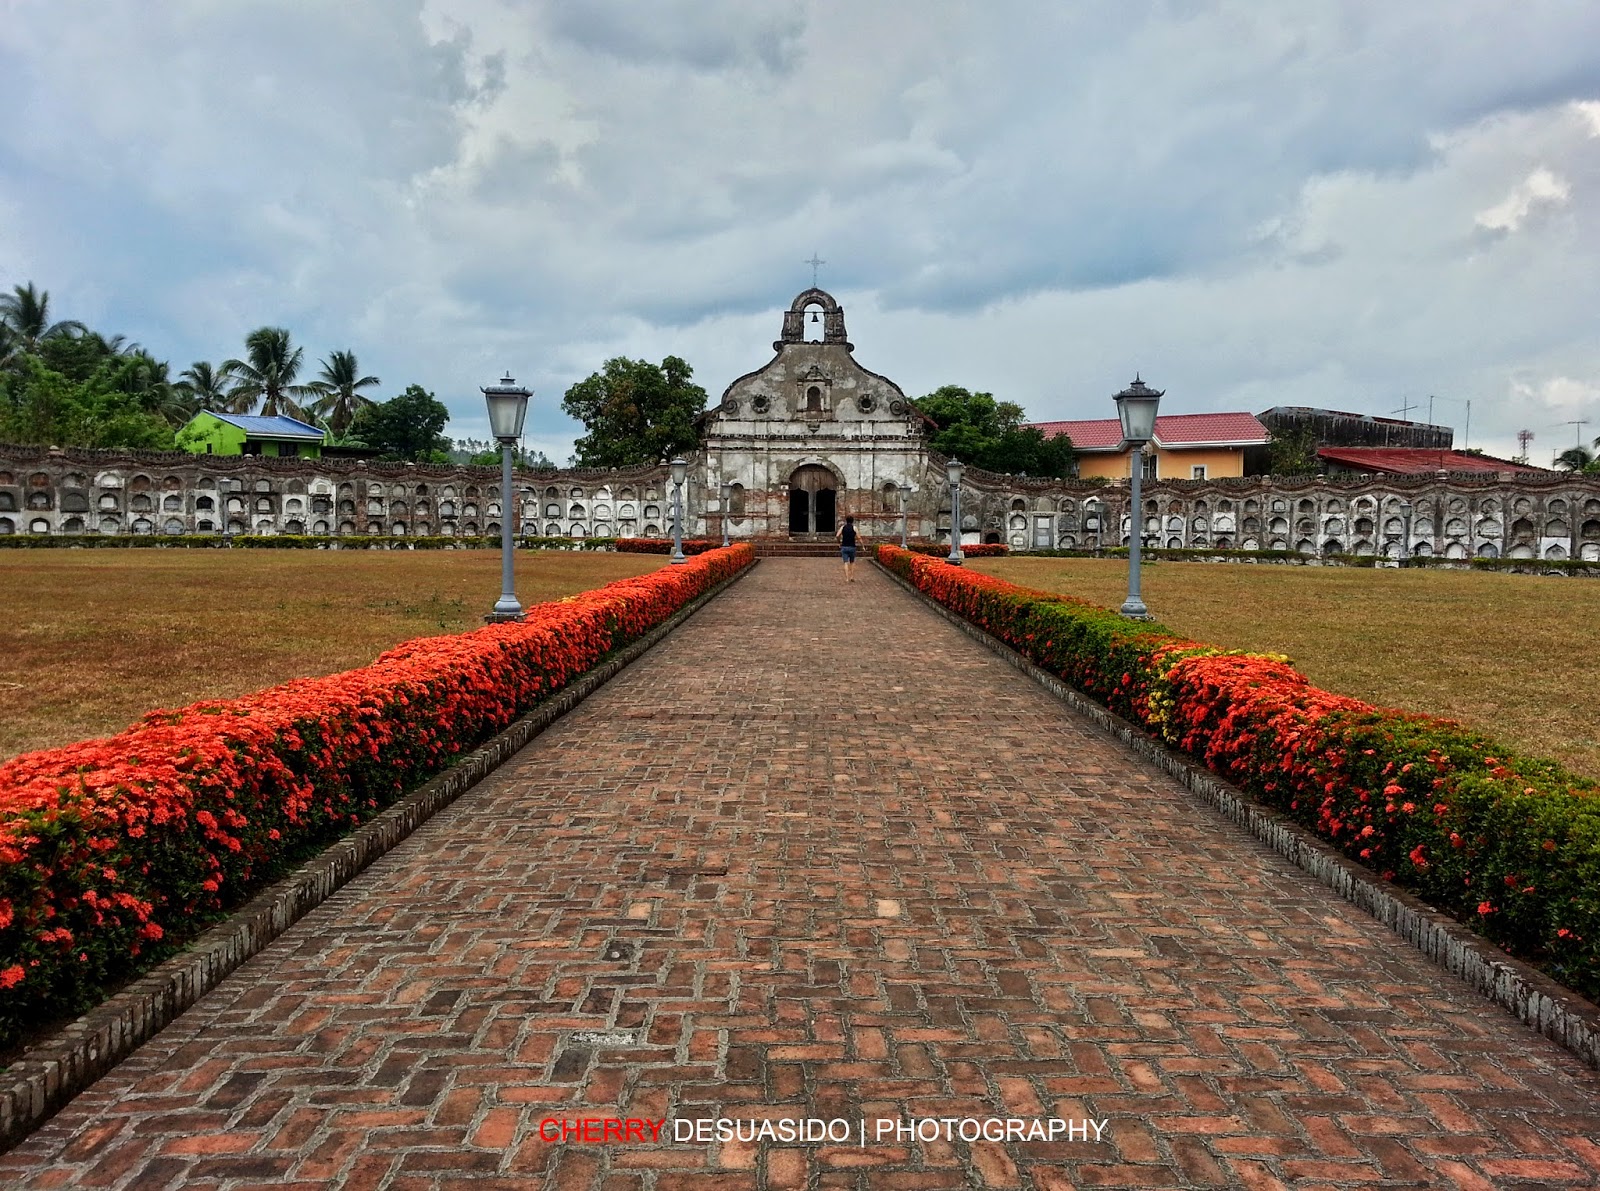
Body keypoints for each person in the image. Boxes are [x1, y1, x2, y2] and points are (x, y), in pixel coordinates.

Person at [835, 514, 861, 581]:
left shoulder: (843, 527)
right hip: (852, 546)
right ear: (852, 521)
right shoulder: (854, 528)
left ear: (846, 521)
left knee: (845, 562)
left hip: (844, 546)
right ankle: (852, 576)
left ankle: (847, 578)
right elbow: (859, 537)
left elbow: (837, 535)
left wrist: (839, 542)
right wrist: (862, 545)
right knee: (852, 562)